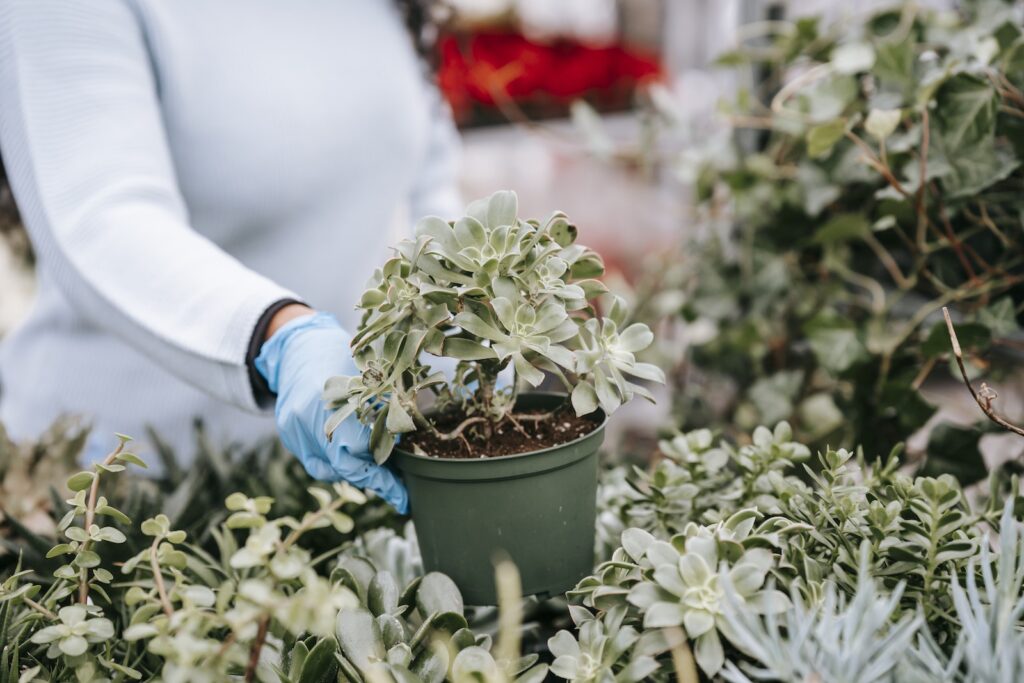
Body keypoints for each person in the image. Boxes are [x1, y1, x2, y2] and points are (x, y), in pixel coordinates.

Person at [0, 0, 462, 513]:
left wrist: (464, 316)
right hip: (106, 503)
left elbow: (427, 178)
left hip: (336, 474)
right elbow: (102, 219)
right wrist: (280, 335)